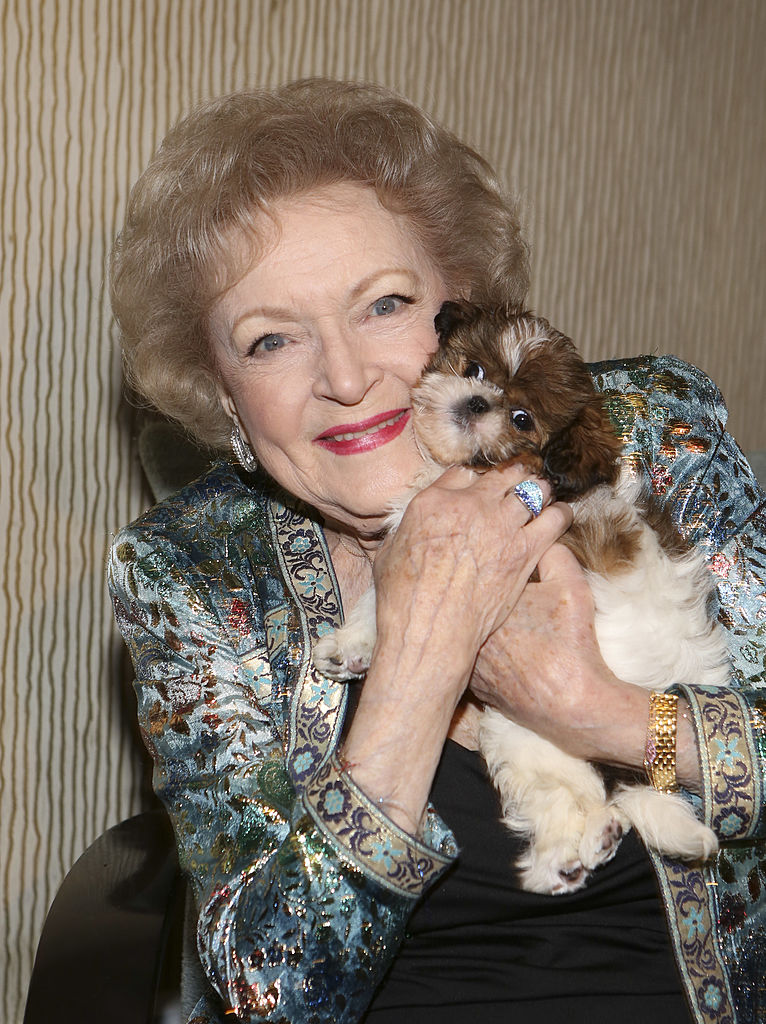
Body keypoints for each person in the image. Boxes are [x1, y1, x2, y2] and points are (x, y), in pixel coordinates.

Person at [107, 79, 766, 1024]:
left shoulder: (643, 443)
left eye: (382, 306)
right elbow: (273, 994)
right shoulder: (194, 580)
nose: (344, 378)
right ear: (223, 395)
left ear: (465, 307)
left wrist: (607, 716)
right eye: (271, 341)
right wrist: (419, 658)